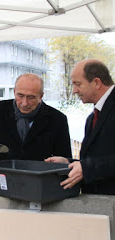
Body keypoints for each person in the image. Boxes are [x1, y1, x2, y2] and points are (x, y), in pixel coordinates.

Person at [0, 73, 72, 161]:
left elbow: (65, 159)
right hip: (1, 180)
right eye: (20, 95)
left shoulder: (57, 119)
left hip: (38, 185)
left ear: (41, 96)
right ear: (14, 91)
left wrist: (63, 161)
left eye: (31, 97)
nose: (24, 103)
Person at [46, 59, 115, 194]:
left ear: (96, 82)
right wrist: (68, 162)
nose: (74, 91)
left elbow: (94, 165)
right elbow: (97, 159)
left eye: (78, 84)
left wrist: (87, 168)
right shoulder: (93, 116)